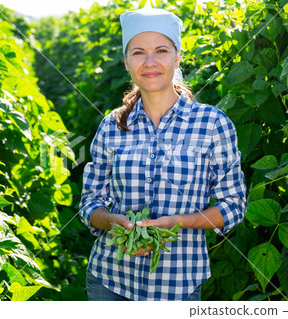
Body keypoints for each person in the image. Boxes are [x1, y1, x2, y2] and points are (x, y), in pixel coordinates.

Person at [79, 7, 246, 301]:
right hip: (110, 281)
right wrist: (112, 221)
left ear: (177, 56)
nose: (150, 62)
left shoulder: (212, 124)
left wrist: (178, 222)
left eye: (162, 50)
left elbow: (233, 205)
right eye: (139, 52)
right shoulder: (112, 126)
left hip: (177, 285)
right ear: (127, 62)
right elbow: (89, 202)